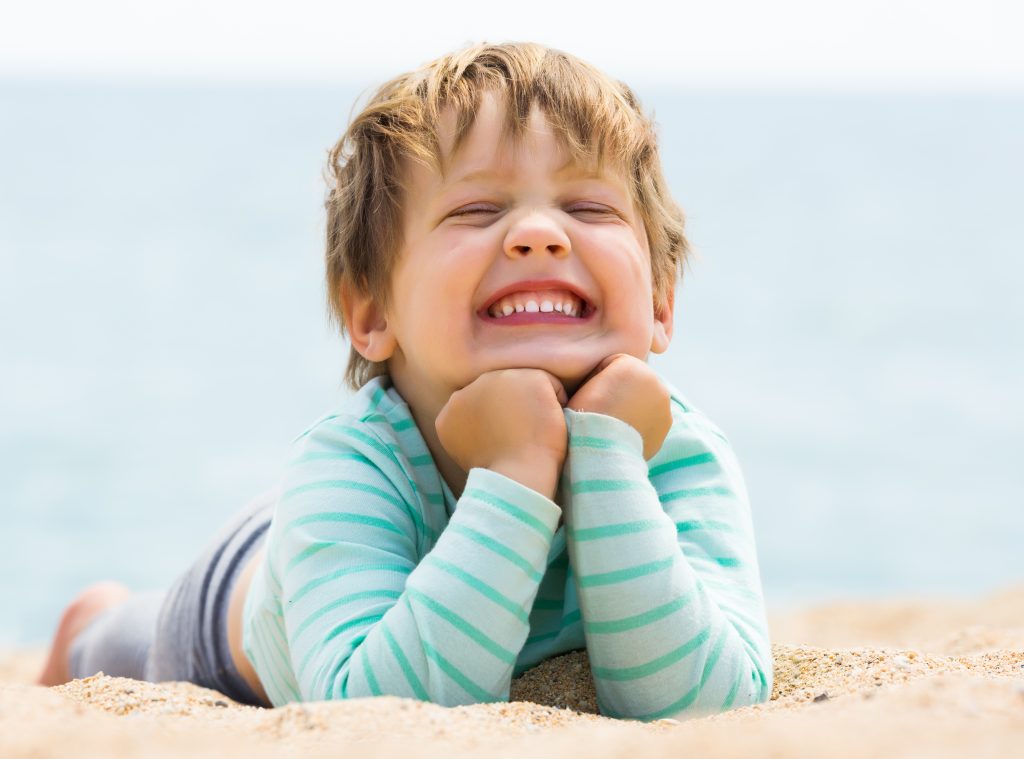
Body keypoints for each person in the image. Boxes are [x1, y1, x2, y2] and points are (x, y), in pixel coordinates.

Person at [37, 41, 774, 722]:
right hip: (249, 602)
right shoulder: (345, 467)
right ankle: (89, 618)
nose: (539, 233)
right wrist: (517, 472)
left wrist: (608, 459)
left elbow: (712, 698)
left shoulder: (678, 451)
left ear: (662, 303)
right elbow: (376, 714)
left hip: (356, 531)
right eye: (477, 210)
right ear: (371, 313)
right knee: (115, 645)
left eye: (588, 208)